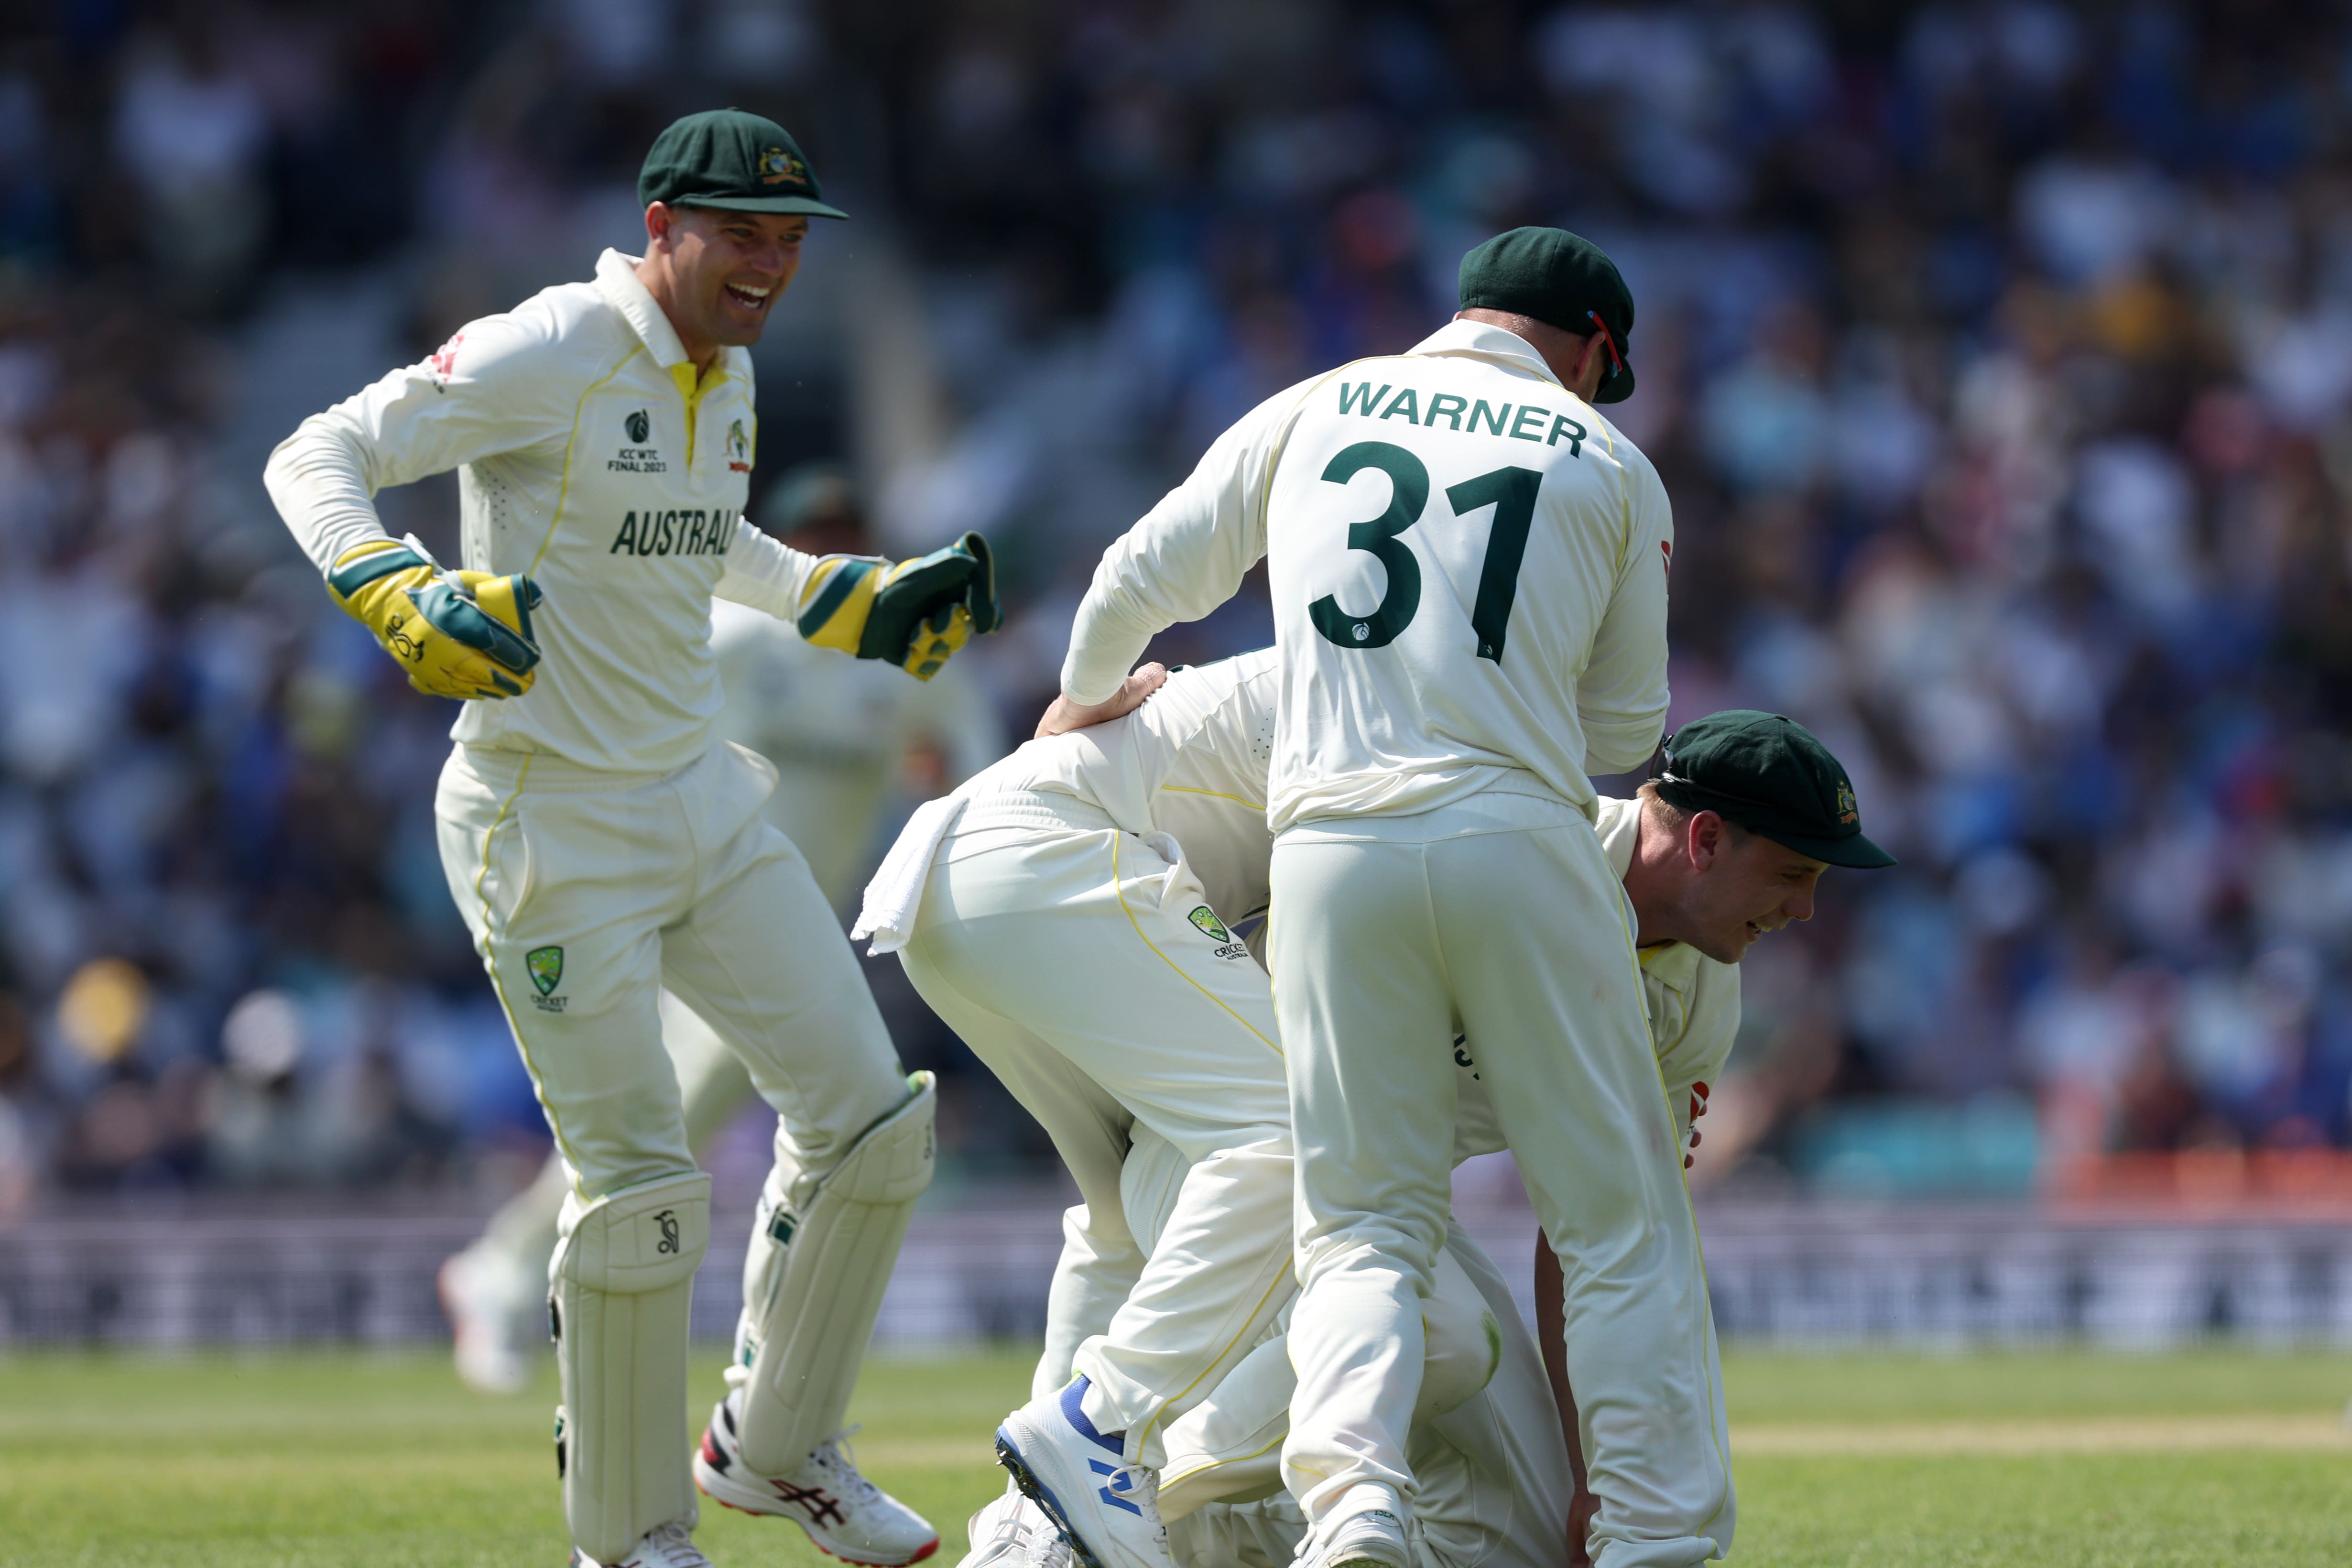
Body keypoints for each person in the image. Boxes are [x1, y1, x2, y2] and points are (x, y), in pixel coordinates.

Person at [264, 109, 998, 1568]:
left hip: (704, 802)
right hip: (547, 825)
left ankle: (775, 1451)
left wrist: (844, 602)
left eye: (789, 242)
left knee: (871, 1122)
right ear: (662, 225)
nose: (770, 267)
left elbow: (704, 539)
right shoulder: (550, 344)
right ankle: (633, 1531)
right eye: (740, 236)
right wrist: (396, 589)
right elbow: (318, 447)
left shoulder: (718, 373)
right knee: (644, 1191)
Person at [1035, 226, 1726, 1568]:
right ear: (1593, 348)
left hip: (1326, 842)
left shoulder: (1321, 403)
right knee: (1614, 1221)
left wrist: (1084, 697)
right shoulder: (1612, 465)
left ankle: (1355, 1513)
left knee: (1360, 1222)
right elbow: (1624, 727)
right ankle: (1650, 1539)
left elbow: (1139, 572)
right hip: (1513, 832)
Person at [437, 465, 1004, 1396]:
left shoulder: (908, 648)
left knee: (690, 1111)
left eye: (847, 528)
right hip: (690, 908)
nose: (832, 548)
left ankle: (515, 1271)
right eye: (812, 533)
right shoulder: (734, 634)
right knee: (701, 1100)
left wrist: (948, 804)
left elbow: (980, 765)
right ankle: (755, 1374)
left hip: (799, 931)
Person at [1532, 711, 1894, 1567]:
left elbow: (1599, 1230)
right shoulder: (1537, 858)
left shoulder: (1703, 997)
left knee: (1553, 1507)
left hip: (1391, 1209)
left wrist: (1593, 1476)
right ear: (1704, 838)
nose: (1803, 911)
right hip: (1284, 1162)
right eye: (1791, 875)